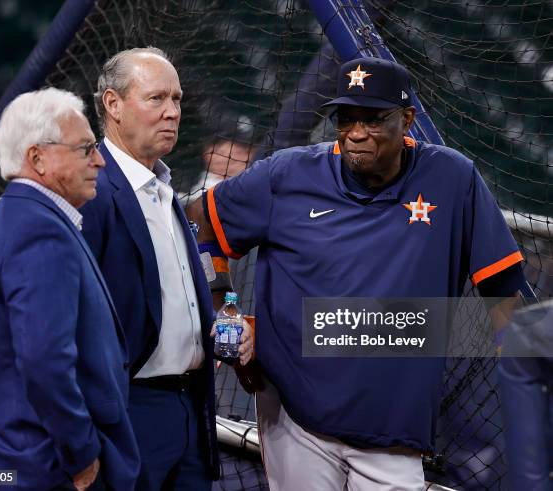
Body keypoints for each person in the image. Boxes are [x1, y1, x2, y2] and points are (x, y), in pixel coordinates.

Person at [190, 57, 526, 490]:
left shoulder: (451, 177)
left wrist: (518, 374)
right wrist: (227, 310)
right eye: (346, 119)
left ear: (406, 120)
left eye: (373, 120)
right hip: (296, 417)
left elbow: (502, 284)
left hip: (394, 430)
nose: (356, 133)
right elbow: (200, 223)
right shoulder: (288, 173)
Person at [80, 47, 253, 490]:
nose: (172, 112)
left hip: (190, 411)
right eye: (156, 99)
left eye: (176, 100)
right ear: (112, 105)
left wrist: (220, 325)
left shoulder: (168, 194)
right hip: (126, 412)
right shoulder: (90, 191)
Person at [0, 87, 140, 490]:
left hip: (8, 461)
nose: (98, 161)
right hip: (45, 468)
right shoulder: (39, 231)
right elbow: (45, 360)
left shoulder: (5, 220)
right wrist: (82, 456)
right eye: (85, 149)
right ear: (37, 158)